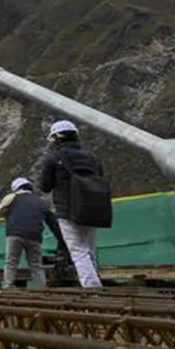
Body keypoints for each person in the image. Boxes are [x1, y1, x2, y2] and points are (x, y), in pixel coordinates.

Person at [38, 120, 110, 288]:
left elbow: (45, 186)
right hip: (92, 208)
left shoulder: (54, 158)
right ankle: (94, 281)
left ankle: (92, 288)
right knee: (89, 250)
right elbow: (99, 176)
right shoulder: (92, 157)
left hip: (67, 210)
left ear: (56, 138)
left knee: (78, 251)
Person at [0, 177, 50, 289]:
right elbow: (50, 219)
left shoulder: (12, 197)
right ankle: (42, 288)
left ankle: (9, 285)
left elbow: (2, 211)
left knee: (11, 262)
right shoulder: (40, 201)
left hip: (15, 234)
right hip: (34, 236)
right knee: (36, 265)